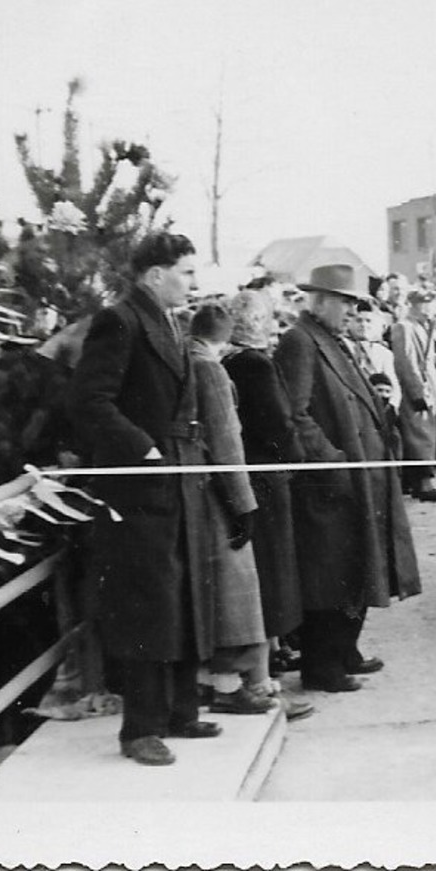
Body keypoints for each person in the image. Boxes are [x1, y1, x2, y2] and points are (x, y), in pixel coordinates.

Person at [66, 232, 222, 766]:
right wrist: (144, 450)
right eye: (186, 271)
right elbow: (90, 401)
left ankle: (180, 711)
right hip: (140, 488)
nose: (193, 281)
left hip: (174, 484)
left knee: (180, 598)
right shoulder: (120, 320)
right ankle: (139, 730)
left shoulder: (169, 321)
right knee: (147, 604)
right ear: (156, 274)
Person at [276, 264, 422, 691]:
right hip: (333, 482)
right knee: (331, 575)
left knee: (355, 568)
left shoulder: (328, 339)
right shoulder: (300, 342)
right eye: (345, 302)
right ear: (319, 300)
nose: (351, 310)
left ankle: (345, 651)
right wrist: (331, 461)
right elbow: (294, 414)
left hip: (358, 477)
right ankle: (323, 667)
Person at [187, 304, 312, 720]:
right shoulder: (214, 369)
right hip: (232, 491)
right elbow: (227, 441)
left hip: (201, 491)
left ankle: (223, 682)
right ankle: (250, 686)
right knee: (248, 591)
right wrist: (245, 504)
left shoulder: (189, 359)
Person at [222, 289, 307, 683]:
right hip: (268, 476)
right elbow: (278, 421)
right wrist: (296, 457)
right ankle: (269, 658)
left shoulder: (229, 360)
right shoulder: (256, 365)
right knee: (274, 570)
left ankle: (273, 649)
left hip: (247, 473)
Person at [390, 288, 436, 502]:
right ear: (413, 305)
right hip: (415, 388)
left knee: (426, 433)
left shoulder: (423, 326)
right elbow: (405, 361)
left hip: (428, 384)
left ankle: (417, 481)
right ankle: (423, 483)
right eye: (424, 304)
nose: (428, 309)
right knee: (419, 435)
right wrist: (417, 392)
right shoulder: (404, 327)